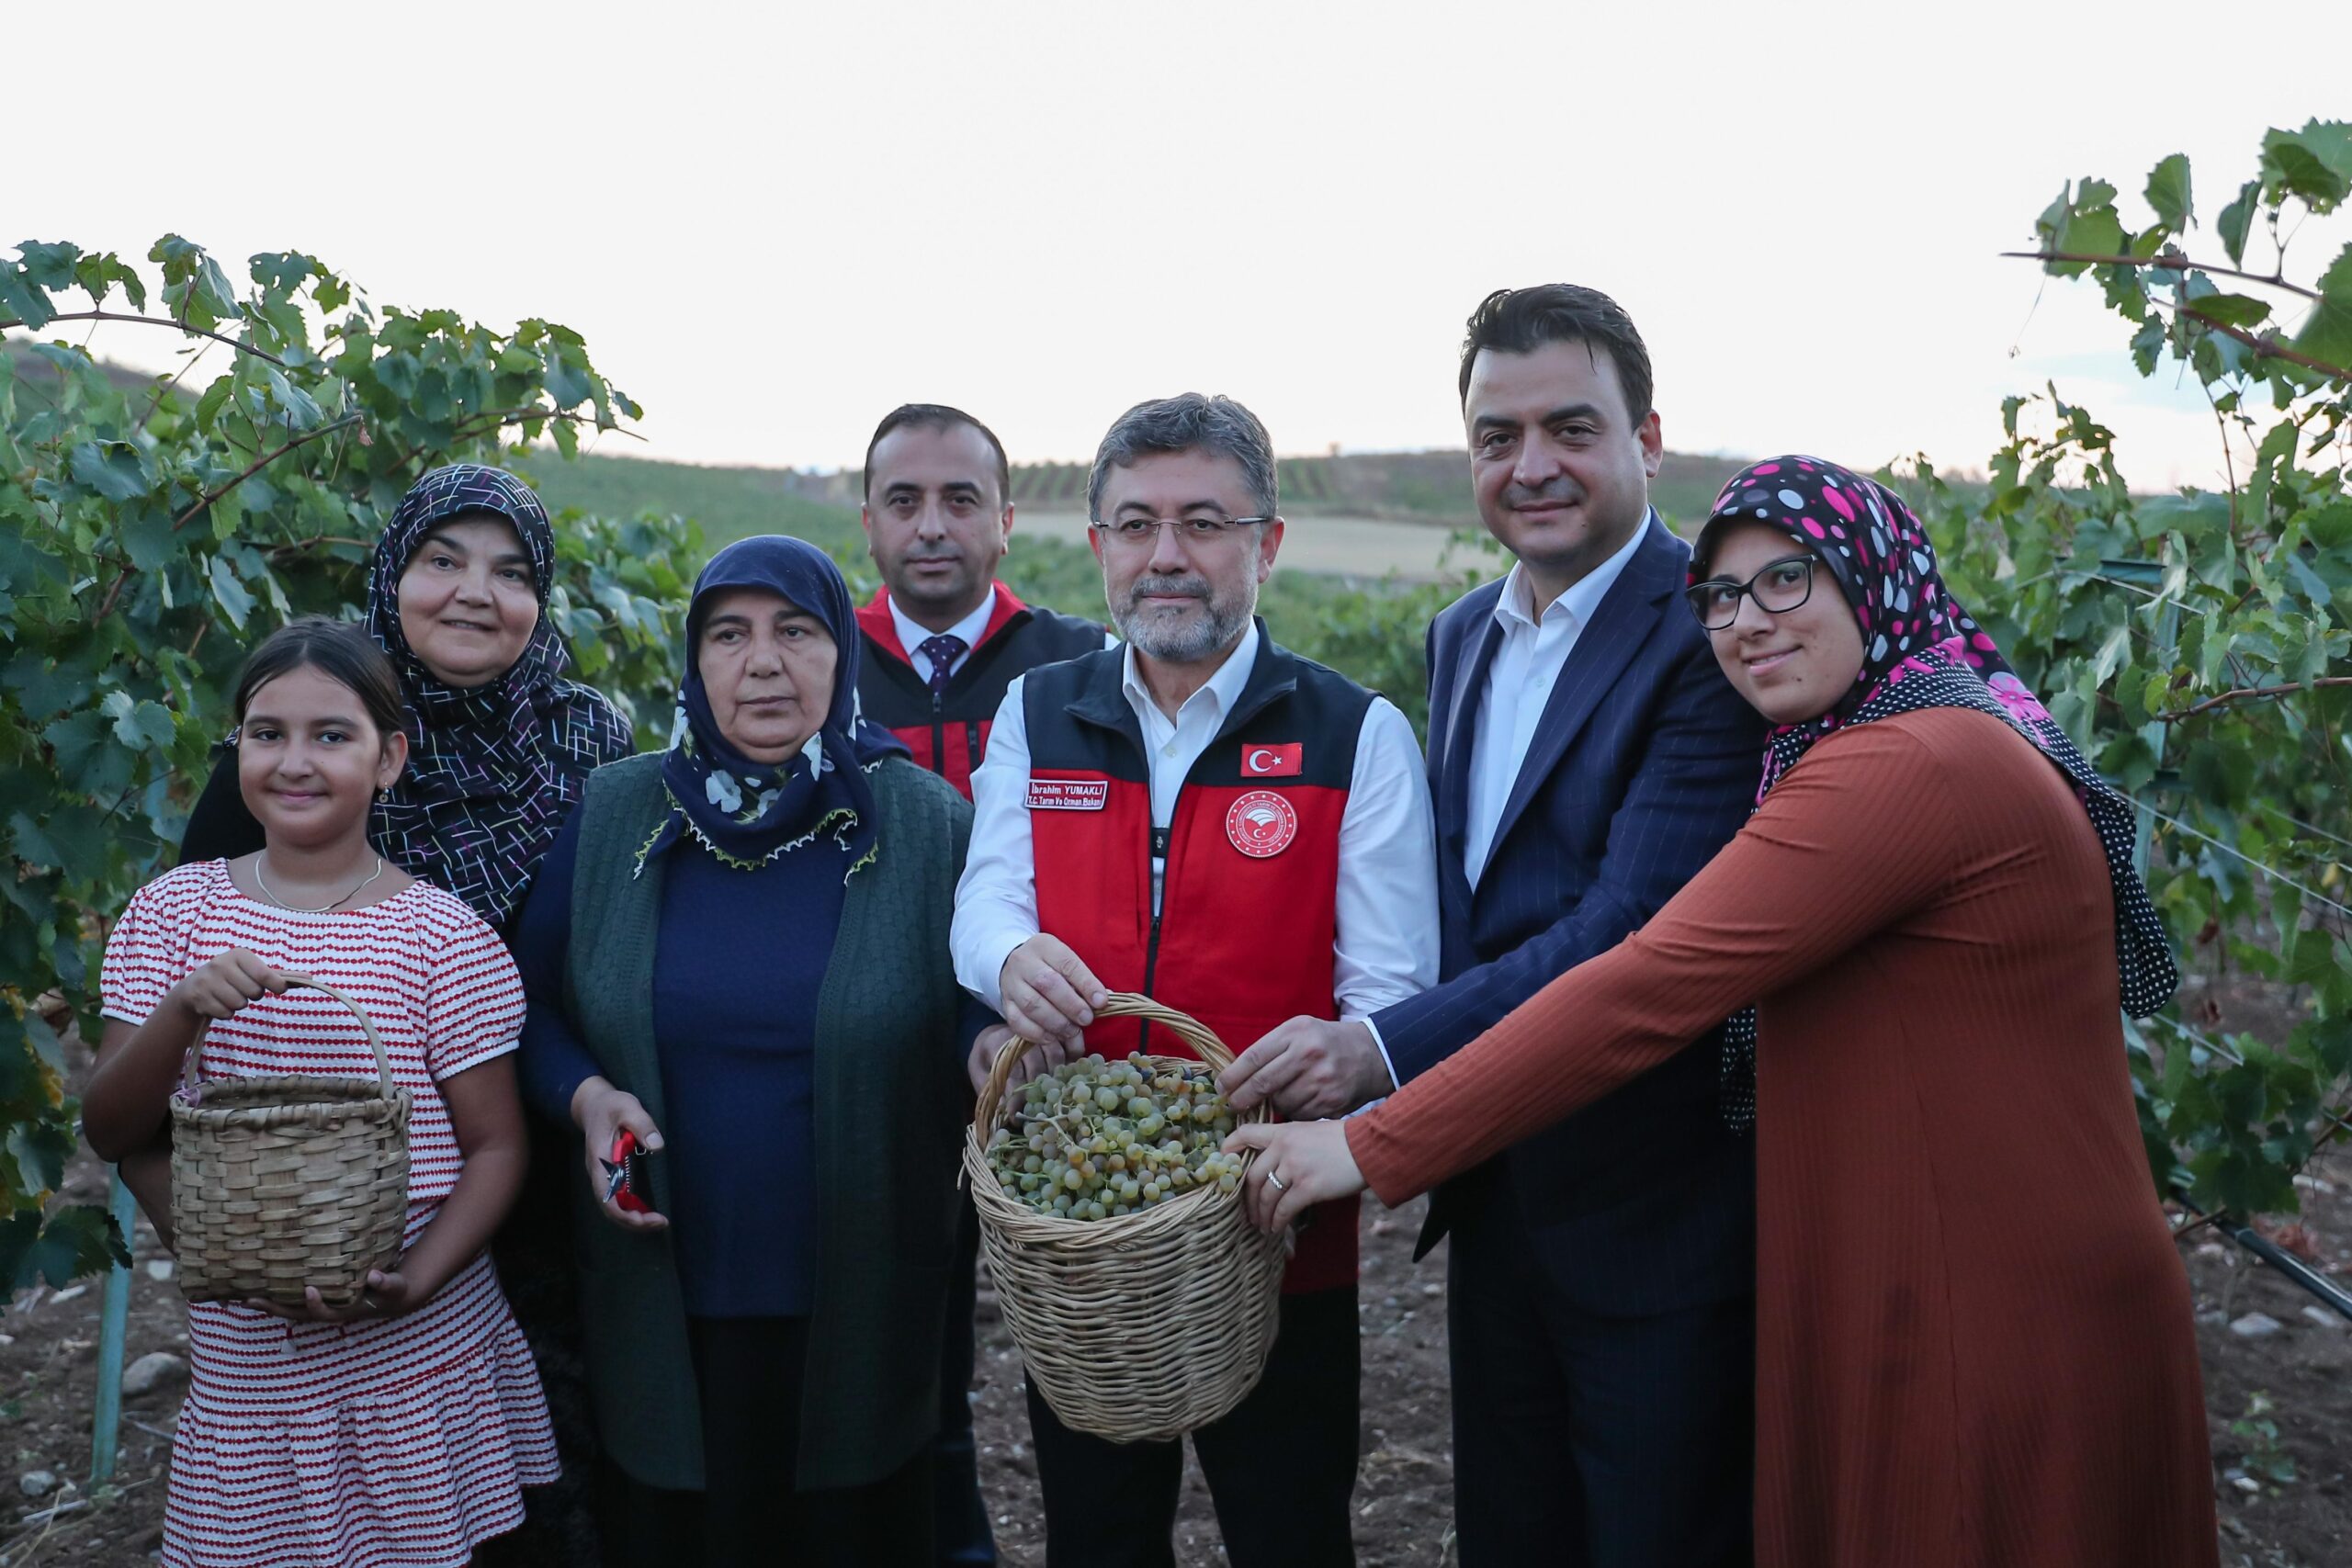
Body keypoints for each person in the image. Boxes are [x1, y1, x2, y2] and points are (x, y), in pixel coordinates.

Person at [1227, 457, 2219, 1568]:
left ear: (1873, 578)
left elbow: (1647, 983)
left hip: (1985, 1296)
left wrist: (1366, 1140)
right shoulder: (1915, 728)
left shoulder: (1905, 765)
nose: (1748, 621)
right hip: (1953, 1256)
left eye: (1788, 580)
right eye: (1723, 596)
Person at [1220, 285, 1763, 1567]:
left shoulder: (1709, 634)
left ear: (1649, 438)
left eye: (1571, 427)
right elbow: (1461, 901)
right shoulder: (1463, 632)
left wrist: (1377, 1050)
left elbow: (1628, 929)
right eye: (1495, 436)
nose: (1532, 466)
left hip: (1653, 1204)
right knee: (1513, 1530)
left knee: (1654, 1532)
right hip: (1502, 1186)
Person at [951, 393, 1440, 1568]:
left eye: (1203, 522)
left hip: (1275, 1233)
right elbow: (987, 898)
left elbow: (1393, 992)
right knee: (1097, 1537)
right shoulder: (1036, 710)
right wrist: (1007, 961)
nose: (1166, 555)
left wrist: (1348, 1060)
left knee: (1290, 1527)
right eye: (1135, 524)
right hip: (1083, 1246)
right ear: (1098, 547)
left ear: (1266, 543)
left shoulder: (1353, 733)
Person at [175, 461, 633, 1565]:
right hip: (325, 1220)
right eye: (442, 559)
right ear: (393, 576)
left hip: (545, 1192)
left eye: (512, 571)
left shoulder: (593, 751)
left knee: (538, 1496)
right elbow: (194, 999)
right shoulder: (299, 743)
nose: (477, 592)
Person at [514, 535, 983, 1567]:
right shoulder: (614, 816)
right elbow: (530, 1005)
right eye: (729, 634)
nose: (761, 662)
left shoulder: (924, 826)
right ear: (694, 660)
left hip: (861, 1286)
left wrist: (990, 1051)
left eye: (796, 631)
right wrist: (585, 1096)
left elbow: (968, 1007)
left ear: (842, 653)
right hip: (662, 1285)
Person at [85, 617, 559, 1568]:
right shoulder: (175, 915)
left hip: (415, 1345)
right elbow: (114, 1130)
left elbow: (497, 1145)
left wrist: (417, 1283)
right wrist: (183, 1014)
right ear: (239, 749)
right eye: (267, 734)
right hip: (253, 1354)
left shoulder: (443, 936)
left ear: (388, 760)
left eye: (330, 736)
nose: (294, 761)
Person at [851, 403, 1108, 1568]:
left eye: (961, 500)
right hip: (872, 1060)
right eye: (905, 501)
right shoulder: (816, 659)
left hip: (1047, 1053)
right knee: (905, 1352)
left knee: (1084, 1352)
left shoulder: (1074, 669)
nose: (933, 526)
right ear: (869, 522)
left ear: (1006, 522)